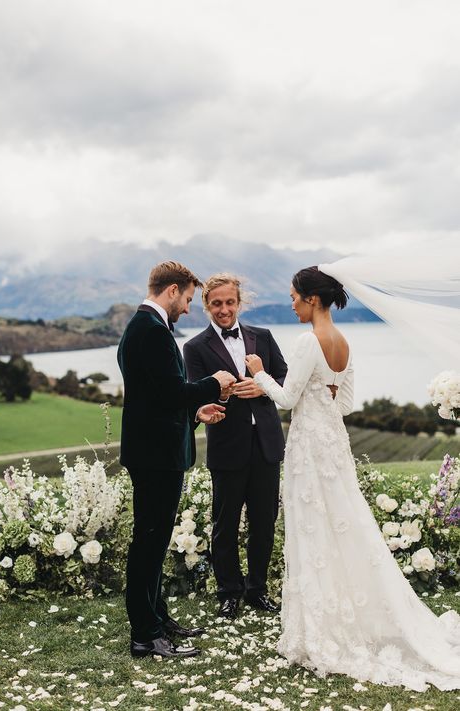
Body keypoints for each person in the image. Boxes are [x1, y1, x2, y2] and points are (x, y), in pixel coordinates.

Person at [245, 265, 460, 691]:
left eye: (293, 297)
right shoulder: (343, 342)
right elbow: (345, 405)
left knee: (313, 531)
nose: (290, 303)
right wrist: (321, 394)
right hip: (335, 446)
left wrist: (258, 372)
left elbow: (287, 399)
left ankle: (322, 628)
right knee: (344, 526)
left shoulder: (308, 341)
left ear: (312, 299)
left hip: (309, 448)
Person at [117, 261, 236, 659]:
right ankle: (145, 635)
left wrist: (195, 414)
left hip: (156, 451)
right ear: (171, 291)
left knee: (153, 541)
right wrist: (213, 385)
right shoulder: (149, 330)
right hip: (155, 457)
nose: (188, 308)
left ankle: (157, 619)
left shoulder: (148, 328)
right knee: (148, 544)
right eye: (187, 299)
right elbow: (171, 391)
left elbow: (156, 399)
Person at [183, 273, 287, 619]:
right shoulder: (195, 348)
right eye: (217, 304)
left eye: (230, 302)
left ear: (239, 303)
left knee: (264, 521)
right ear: (206, 306)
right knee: (224, 524)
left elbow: (286, 377)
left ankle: (257, 590)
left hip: (267, 444)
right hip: (228, 445)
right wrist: (217, 393)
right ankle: (229, 592)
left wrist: (263, 385)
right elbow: (193, 393)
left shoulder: (264, 337)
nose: (224, 310)